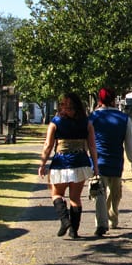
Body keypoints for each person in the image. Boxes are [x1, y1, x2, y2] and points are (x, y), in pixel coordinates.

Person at [38, 92, 99, 238]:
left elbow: (48, 145)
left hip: (61, 162)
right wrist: (95, 166)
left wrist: (42, 163)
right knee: (75, 198)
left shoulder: (56, 122)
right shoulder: (87, 123)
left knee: (57, 194)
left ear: (62, 106)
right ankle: (74, 231)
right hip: (80, 162)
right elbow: (92, 147)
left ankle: (65, 221)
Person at [89, 87, 132, 236]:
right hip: (116, 162)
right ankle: (112, 218)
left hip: (98, 162)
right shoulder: (123, 118)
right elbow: (130, 141)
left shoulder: (92, 118)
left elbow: (87, 141)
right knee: (115, 193)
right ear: (114, 100)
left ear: (99, 100)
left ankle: (101, 223)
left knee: (99, 193)